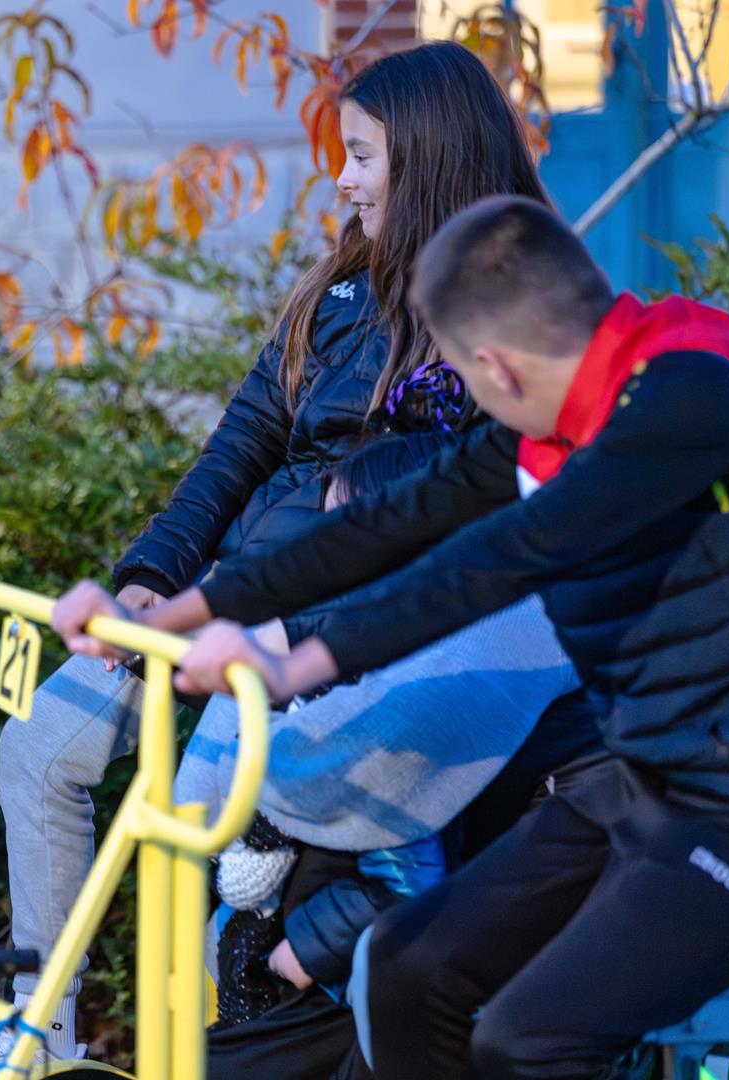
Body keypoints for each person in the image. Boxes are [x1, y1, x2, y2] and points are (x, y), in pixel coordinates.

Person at [0, 40, 560, 1072]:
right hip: (216, 602)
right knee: (43, 745)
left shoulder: (501, 316)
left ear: (430, 156)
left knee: (200, 831)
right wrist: (151, 577)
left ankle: (193, 1045)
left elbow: (445, 532)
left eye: (364, 156)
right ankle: (38, 1042)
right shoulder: (334, 292)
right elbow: (232, 457)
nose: (343, 178)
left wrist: (261, 630)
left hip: (318, 651)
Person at [65, 195, 729, 1078]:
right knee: (404, 967)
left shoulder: (692, 395)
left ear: (496, 368)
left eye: (462, 374)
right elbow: (385, 527)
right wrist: (166, 616)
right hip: (647, 779)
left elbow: (498, 559)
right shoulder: (565, 417)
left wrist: (295, 666)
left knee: (532, 1040)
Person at [174, 435, 578, 1077]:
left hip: (348, 961)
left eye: (354, 533)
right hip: (313, 951)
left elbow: (407, 867)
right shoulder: (372, 638)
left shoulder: (458, 652)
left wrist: (310, 945)